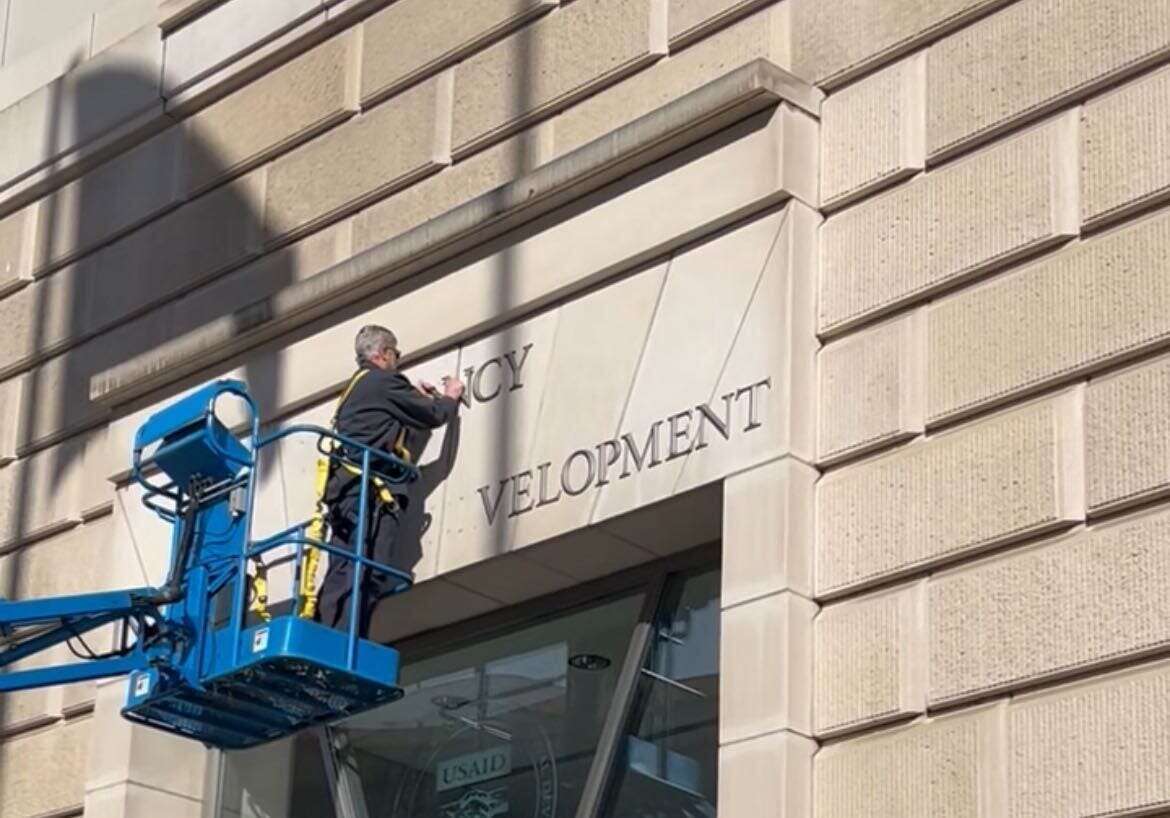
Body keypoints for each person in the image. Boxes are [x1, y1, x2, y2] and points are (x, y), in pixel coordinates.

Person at [317, 324, 464, 636]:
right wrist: (451, 396)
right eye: (396, 354)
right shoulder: (384, 381)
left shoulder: (357, 388)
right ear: (384, 354)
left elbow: (380, 423)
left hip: (346, 492)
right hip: (369, 495)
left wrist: (410, 399)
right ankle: (347, 642)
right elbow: (435, 415)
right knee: (366, 571)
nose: (398, 360)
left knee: (342, 570)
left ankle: (328, 636)